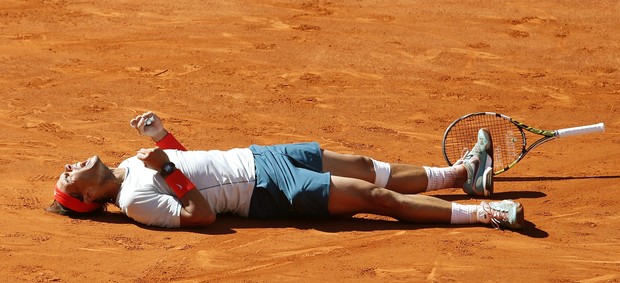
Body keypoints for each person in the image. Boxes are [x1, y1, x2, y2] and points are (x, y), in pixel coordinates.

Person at [47, 112, 524, 230]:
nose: (71, 166)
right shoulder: (133, 204)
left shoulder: (132, 166)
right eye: (69, 177)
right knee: (375, 198)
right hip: (265, 189)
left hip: (260, 156)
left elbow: (191, 166)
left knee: (362, 165)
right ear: (89, 199)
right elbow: (199, 213)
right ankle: (487, 214)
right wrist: (167, 164)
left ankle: (461, 176)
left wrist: (162, 139)